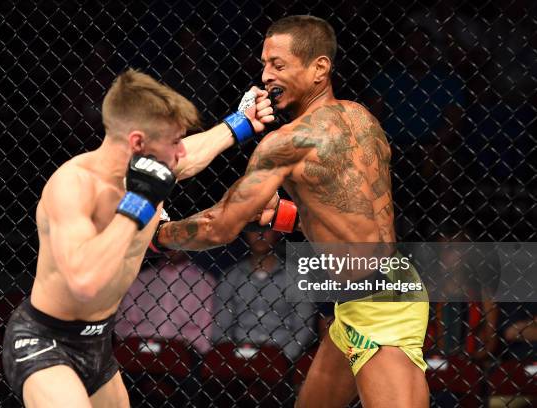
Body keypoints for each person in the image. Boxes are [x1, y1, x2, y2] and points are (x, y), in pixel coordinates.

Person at [153, 16, 430, 407]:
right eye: (264, 64)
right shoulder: (362, 118)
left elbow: (220, 227)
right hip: (384, 284)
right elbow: (351, 212)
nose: (266, 76)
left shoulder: (287, 143)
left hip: (378, 308)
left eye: (278, 65)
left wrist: (158, 234)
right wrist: (286, 214)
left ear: (319, 68)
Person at [1, 68, 275, 408]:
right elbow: (83, 281)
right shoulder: (74, 187)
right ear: (137, 143)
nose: (181, 153)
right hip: (45, 341)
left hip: (98, 342)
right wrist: (137, 206)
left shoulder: (148, 166)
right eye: (174, 142)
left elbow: (193, 153)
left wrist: (240, 123)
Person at [213, 230, 317, 362]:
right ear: (245, 233)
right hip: (238, 353)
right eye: (254, 229)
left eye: (267, 229)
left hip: (280, 354)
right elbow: (220, 325)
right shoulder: (231, 276)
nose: (260, 234)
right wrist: (228, 354)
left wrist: (284, 356)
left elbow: (304, 326)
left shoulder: (296, 276)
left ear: (277, 233)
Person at [115, 250, 215, 355]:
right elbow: (122, 323)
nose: (174, 249)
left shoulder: (204, 281)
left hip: (185, 351)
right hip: (139, 347)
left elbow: (206, 329)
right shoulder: (141, 278)